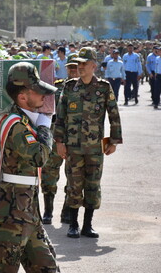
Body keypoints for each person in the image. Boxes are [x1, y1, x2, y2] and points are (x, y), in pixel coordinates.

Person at [0, 62, 58, 272]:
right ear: (23, 96)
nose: (44, 97)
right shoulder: (16, 125)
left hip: (26, 206)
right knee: (1, 267)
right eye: (39, 92)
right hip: (12, 209)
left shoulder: (23, 121)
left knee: (47, 266)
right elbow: (39, 157)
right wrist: (44, 129)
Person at [55, 47, 123, 239]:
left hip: (94, 147)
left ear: (94, 65)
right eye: (79, 63)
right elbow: (60, 117)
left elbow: (114, 114)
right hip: (73, 147)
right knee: (74, 185)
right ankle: (73, 224)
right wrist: (59, 141)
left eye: (84, 63)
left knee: (93, 185)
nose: (80, 66)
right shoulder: (69, 87)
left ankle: (88, 225)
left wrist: (113, 141)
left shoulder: (103, 87)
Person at [41, 54, 80, 225]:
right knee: (49, 175)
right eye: (70, 67)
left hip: (77, 141)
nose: (73, 70)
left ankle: (66, 211)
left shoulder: (88, 91)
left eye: (76, 67)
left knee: (73, 178)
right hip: (56, 139)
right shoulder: (56, 89)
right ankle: (48, 211)